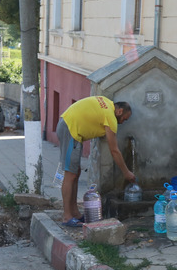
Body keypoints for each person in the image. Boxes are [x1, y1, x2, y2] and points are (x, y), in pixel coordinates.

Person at [56, 96, 136, 226]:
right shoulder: (110, 117)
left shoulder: (106, 102)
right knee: (70, 174)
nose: (122, 122)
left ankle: (75, 213)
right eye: (124, 119)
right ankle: (67, 216)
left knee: (75, 173)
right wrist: (126, 172)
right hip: (70, 129)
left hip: (69, 126)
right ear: (120, 111)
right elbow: (114, 150)